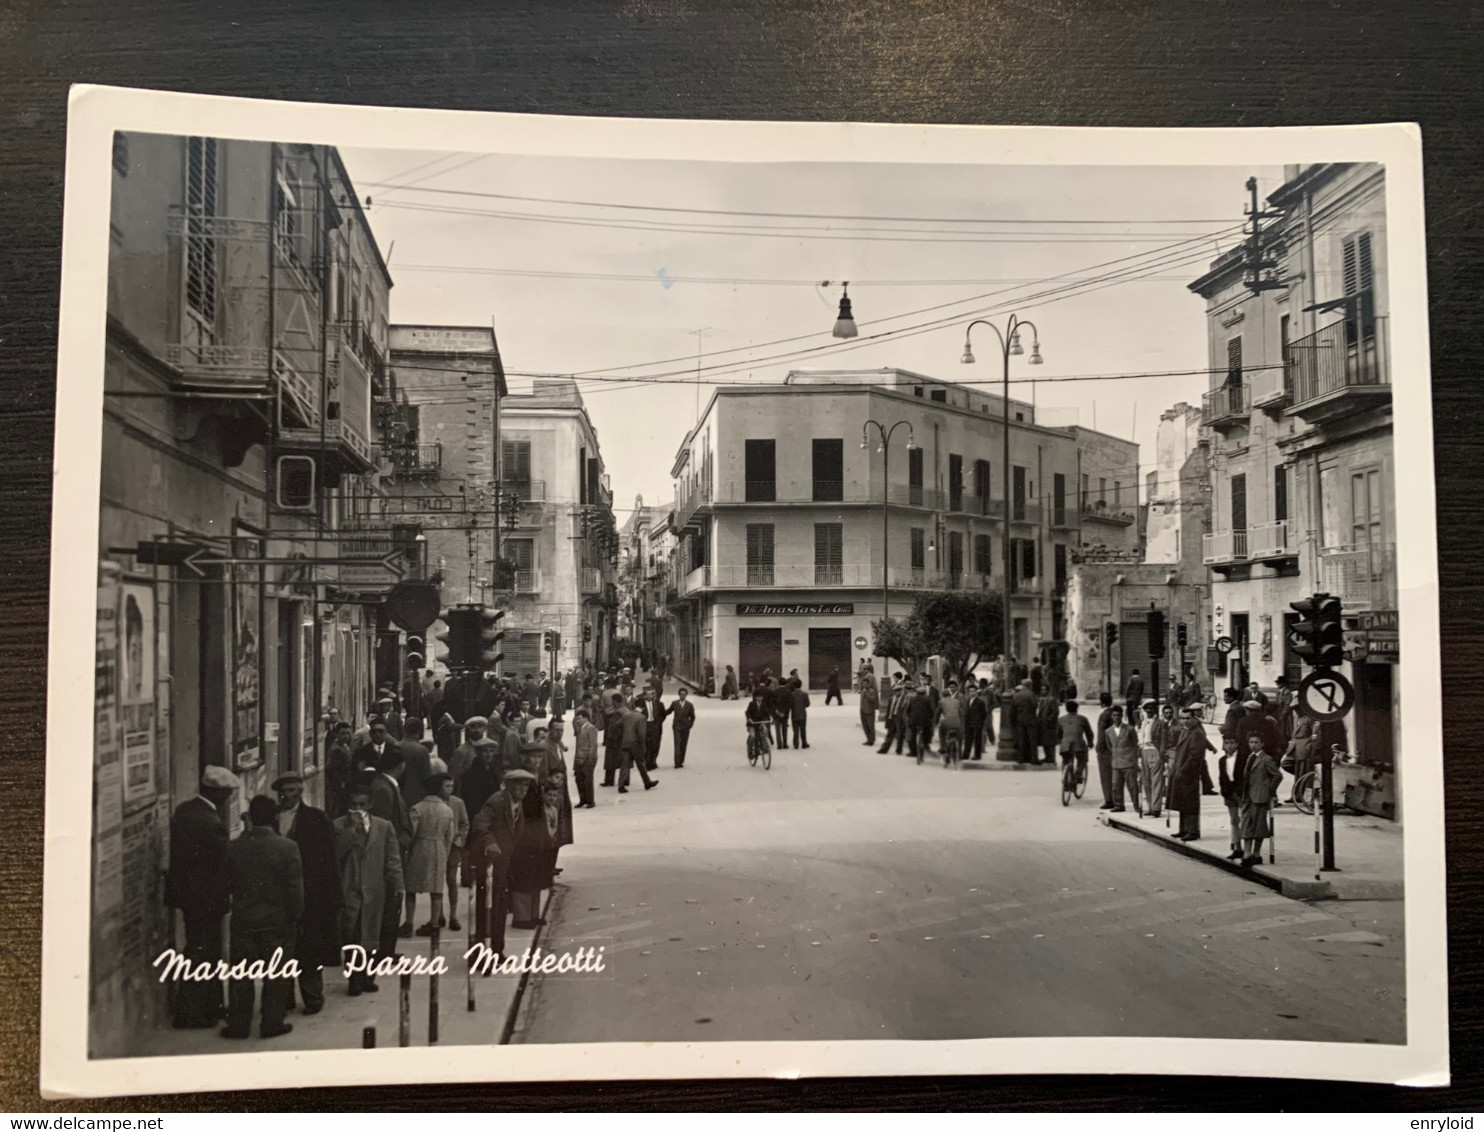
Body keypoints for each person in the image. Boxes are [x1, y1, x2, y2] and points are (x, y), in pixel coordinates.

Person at [222, 795, 303, 1039]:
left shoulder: (234, 847)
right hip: (277, 921)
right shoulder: (287, 848)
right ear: (275, 817)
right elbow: (295, 890)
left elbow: (225, 885)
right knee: (276, 975)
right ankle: (272, 1023)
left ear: (249, 818)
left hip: (244, 920)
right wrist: (295, 917)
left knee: (241, 975)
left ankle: (238, 1024)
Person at [164, 765, 238, 1029]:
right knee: (204, 953)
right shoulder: (211, 822)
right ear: (216, 793)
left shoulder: (186, 810)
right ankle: (194, 1012)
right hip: (206, 899)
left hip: (187, 896)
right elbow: (222, 859)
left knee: (199, 949)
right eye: (227, 793)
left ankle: (207, 1008)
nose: (229, 798)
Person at [272, 773, 340, 1017]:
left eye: (292, 791)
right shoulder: (271, 819)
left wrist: (331, 895)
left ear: (300, 792)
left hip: (311, 893)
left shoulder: (316, 819)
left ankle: (312, 996)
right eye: (283, 791)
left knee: (310, 948)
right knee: (282, 949)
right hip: (280, 894)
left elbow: (330, 859)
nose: (287, 796)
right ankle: (285, 997)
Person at [335, 775, 405, 995]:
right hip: (350, 889)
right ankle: (354, 980)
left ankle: (368, 977)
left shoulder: (384, 827)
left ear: (370, 805)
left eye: (362, 805)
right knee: (353, 937)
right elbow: (334, 855)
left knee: (372, 936)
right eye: (354, 805)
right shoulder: (338, 826)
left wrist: (398, 885)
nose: (358, 809)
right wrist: (351, 834)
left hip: (375, 890)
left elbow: (392, 858)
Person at [469, 769, 533, 955]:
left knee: (500, 908)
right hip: (488, 865)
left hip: (505, 865)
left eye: (526, 785)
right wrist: (490, 842)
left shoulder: (518, 803)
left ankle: (497, 951)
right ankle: (481, 952)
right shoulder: (497, 801)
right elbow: (480, 824)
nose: (523, 789)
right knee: (487, 909)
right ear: (510, 785)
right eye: (520, 785)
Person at [367, 748, 413, 948]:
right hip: (389, 855)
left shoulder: (385, 785)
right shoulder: (383, 789)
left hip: (393, 851)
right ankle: (385, 949)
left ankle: (387, 947)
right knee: (391, 900)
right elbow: (383, 825)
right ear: (401, 766)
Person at [407, 772, 457, 936]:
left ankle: (408, 922)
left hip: (420, 847)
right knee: (436, 888)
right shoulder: (447, 810)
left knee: (411, 887)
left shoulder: (417, 808)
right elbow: (449, 836)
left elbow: (412, 832)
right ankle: (434, 923)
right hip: (438, 848)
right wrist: (446, 852)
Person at [1168, 706, 1217, 841]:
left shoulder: (1196, 733)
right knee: (1182, 801)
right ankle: (1183, 829)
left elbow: (1195, 756)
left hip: (1190, 773)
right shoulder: (1185, 731)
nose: (1185, 721)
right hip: (1181, 771)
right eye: (1183, 718)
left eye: (1188, 718)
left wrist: (1183, 770)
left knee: (1190, 802)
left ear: (1194, 718)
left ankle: (1192, 830)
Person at [1239, 731, 1284, 866]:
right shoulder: (1250, 757)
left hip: (1260, 796)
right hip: (1247, 796)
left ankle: (1256, 853)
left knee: (1259, 825)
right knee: (1246, 823)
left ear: (1262, 744)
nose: (1253, 745)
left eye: (1256, 742)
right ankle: (1247, 853)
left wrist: (1269, 790)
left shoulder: (1266, 759)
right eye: (1251, 742)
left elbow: (1277, 776)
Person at [1105, 706, 1141, 813]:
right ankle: (1119, 805)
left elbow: (1135, 745)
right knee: (1116, 785)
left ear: (1122, 716)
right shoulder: (1108, 731)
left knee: (1132, 786)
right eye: (1114, 715)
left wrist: (1133, 760)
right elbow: (1109, 746)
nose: (1117, 718)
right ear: (1111, 716)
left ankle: (1136, 805)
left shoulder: (1129, 729)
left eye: (1119, 715)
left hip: (1129, 762)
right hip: (1116, 763)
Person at [1144, 703, 1177, 820]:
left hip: (1155, 750)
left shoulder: (1160, 723)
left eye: (1151, 708)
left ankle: (1156, 808)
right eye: (1146, 708)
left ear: (1155, 710)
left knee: (1156, 780)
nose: (1148, 710)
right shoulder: (1143, 722)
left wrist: (1162, 754)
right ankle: (1150, 806)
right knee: (1146, 781)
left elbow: (1163, 740)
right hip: (1144, 751)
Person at [618, 698, 658, 793]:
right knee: (641, 764)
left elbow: (617, 725)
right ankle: (647, 782)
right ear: (643, 708)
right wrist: (643, 748)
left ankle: (621, 785)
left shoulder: (626, 716)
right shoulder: (642, 717)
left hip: (625, 743)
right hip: (635, 745)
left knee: (625, 765)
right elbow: (641, 734)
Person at [1217, 737, 1247, 861]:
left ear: (1237, 744)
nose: (1229, 746)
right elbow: (1222, 777)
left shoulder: (1243, 758)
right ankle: (1237, 847)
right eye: (1227, 743)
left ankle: (1249, 848)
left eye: (1232, 742)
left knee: (1246, 819)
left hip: (1241, 793)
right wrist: (1225, 791)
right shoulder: (1222, 760)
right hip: (1229, 793)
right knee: (1234, 820)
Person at [398, 718, 433, 810]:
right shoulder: (421, 750)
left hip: (397, 795)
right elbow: (427, 776)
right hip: (417, 795)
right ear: (419, 731)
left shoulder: (395, 746)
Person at [1057, 699, 1094, 785]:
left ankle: (1065, 781)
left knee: (1066, 761)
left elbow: (1058, 734)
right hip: (1079, 745)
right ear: (1077, 709)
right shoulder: (1083, 719)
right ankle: (1078, 775)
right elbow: (1089, 733)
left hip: (1065, 745)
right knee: (1083, 759)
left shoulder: (1061, 720)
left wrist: (1060, 742)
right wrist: (1090, 743)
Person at [1094, 691, 1117, 809]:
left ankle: (1109, 800)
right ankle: (1116, 798)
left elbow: (1102, 733)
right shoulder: (1114, 713)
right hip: (1115, 747)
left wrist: (1099, 746)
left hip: (1105, 750)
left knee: (1106, 775)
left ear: (1101, 702)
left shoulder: (1104, 715)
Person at [573, 707, 599, 805]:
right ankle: (583, 799)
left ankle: (590, 800)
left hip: (587, 758)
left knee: (587, 780)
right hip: (579, 758)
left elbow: (593, 744)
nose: (577, 721)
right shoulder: (580, 729)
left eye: (579, 718)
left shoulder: (591, 728)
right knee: (579, 779)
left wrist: (590, 758)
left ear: (585, 718)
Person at [906, 677, 936, 761]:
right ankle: (925, 743)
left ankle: (913, 752)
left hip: (913, 722)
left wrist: (910, 717)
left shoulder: (912, 699)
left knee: (912, 735)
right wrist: (931, 717)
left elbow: (908, 709)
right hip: (923, 723)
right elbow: (930, 711)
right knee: (925, 733)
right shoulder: (927, 700)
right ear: (923, 693)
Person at [1011, 679, 1039, 766]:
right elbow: (1035, 705)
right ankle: (1034, 758)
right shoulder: (1031, 694)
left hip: (1020, 719)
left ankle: (1021, 758)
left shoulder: (1017, 695)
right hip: (1030, 719)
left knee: (1021, 739)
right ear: (1029, 685)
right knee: (1032, 740)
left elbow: (1013, 708)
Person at [669, 686, 696, 768]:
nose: (682, 696)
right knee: (677, 744)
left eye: (684, 694)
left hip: (685, 727)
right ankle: (677, 763)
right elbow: (668, 711)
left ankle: (681, 761)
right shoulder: (674, 703)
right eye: (681, 694)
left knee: (683, 745)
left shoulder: (689, 705)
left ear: (686, 695)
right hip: (676, 727)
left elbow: (693, 716)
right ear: (679, 695)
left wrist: (690, 725)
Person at [601, 702, 625, 788]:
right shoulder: (623, 710)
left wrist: (610, 737)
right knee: (613, 760)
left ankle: (609, 781)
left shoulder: (617, 713)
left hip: (613, 740)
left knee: (610, 760)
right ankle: (609, 780)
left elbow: (615, 726)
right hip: (617, 740)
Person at [644, 688, 669, 771]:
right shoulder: (642, 704)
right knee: (647, 745)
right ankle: (648, 763)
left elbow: (663, 714)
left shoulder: (659, 704)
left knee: (655, 745)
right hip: (646, 726)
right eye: (647, 694)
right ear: (645, 695)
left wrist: (659, 722)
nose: (649, 696)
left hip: (655, 727)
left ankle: (652, 761)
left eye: (651, 694)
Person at [965, 682, 989, 761]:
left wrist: (980, 723)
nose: (972, 692)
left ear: (976, 692)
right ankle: (966, 754)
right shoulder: (968, 701)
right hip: (969, 723)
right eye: (970, 691)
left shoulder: (980, 702)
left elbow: (984, 713)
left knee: (977, 740)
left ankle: (977, 755)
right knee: (968, 739)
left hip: (977, 724)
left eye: (973, 691)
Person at [1036, 688, 1060, 766]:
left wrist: (1048, 720)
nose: (1043, 691)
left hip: (1049, 725)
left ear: (1048, 691)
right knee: (1045, 741)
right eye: (1042, 690)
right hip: (1043, 724)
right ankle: (1048, 756)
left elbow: (1055, 712)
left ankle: (1051, 757)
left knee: (1050, 742)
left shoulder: (1052, 700)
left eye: (1044, 690)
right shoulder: (1042, 700)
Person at [858, 667, 879, 747]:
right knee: (865, 726)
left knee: (871, 726)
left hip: (869, 711)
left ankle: (872, 740)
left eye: (865, 683)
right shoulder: (863, 691)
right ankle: (868, 739)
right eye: (863, 683)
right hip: (863, 710)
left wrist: (867, 694)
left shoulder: (871, 691)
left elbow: (873, 699)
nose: (864, 685)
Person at [771, 677, 792, 750]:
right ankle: (785, 744)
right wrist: (784, 712)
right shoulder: (788, 692)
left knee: (777, 730)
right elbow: (789, 704)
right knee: (784, 729)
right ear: (785, 683)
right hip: (785, 714)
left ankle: (779, 744)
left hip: (777, 713)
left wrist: (777, 712)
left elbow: (772, 704)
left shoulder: (774, 692)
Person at [791, 679, 812, 748]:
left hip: (794, 714)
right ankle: (804, 743)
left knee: (795, 730)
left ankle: (796, 744)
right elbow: (808, 704)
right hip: (802, 714)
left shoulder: (792, 694)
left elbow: (790, 704)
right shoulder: (805, 694)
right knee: (803, 729)